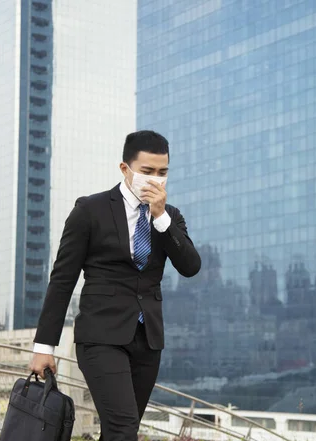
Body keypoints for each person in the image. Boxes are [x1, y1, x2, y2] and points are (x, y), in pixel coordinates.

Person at [29, 130, 201, 440]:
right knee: (123, 429)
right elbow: (62, 280)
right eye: (147, 171)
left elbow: (190, 266)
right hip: (100, 337)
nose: (155, 179)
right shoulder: (89, 211)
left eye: (162, 173)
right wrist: (44, 348)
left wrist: (161, 218)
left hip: (148, 341)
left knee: (121, 430)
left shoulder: (170, 217)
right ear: (125, 169)